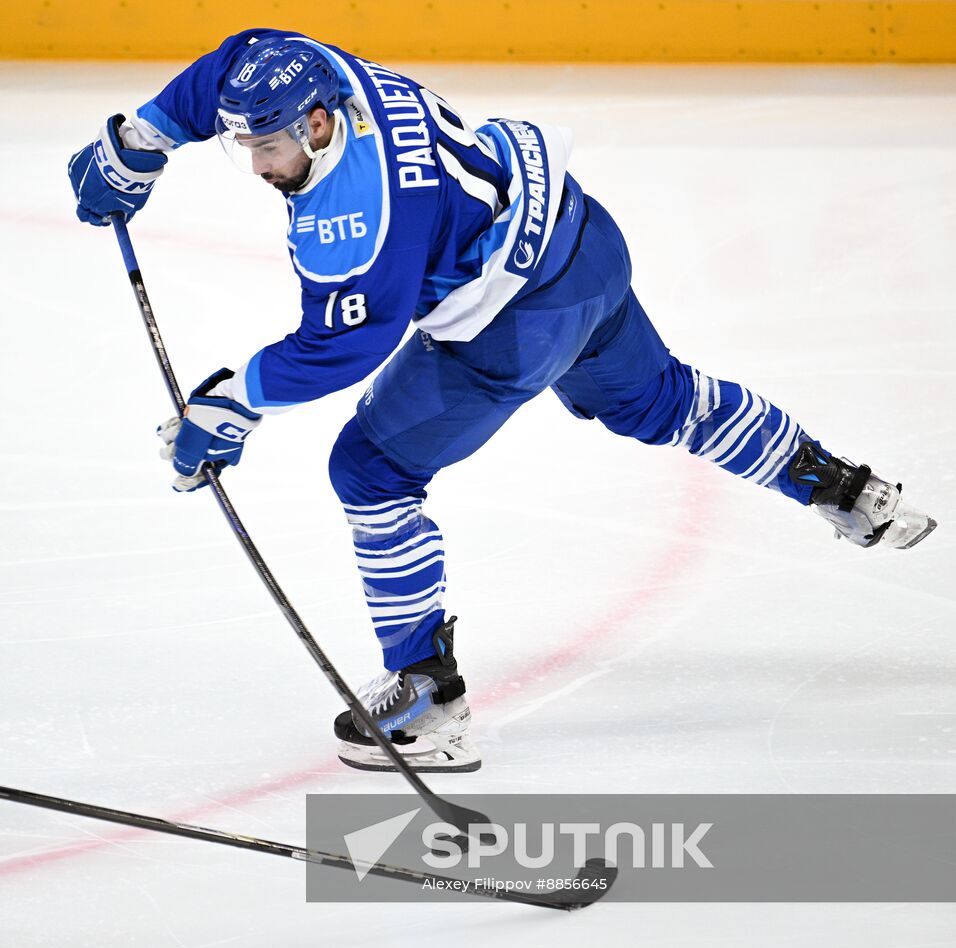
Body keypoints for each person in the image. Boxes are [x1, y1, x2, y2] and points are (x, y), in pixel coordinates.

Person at [68, 28, 936, 774]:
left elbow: (346, 345)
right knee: (665, 401)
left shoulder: (358, 217)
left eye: (270, 149)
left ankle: (427, 701)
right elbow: (231, 61)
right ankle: (844, 488)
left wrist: (231, 404)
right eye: (245, 145)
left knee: (371, 468)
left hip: (512, 320)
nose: (258, 166)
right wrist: (138, 140)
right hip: (584, 243)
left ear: (321, 125)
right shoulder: (311, 66)